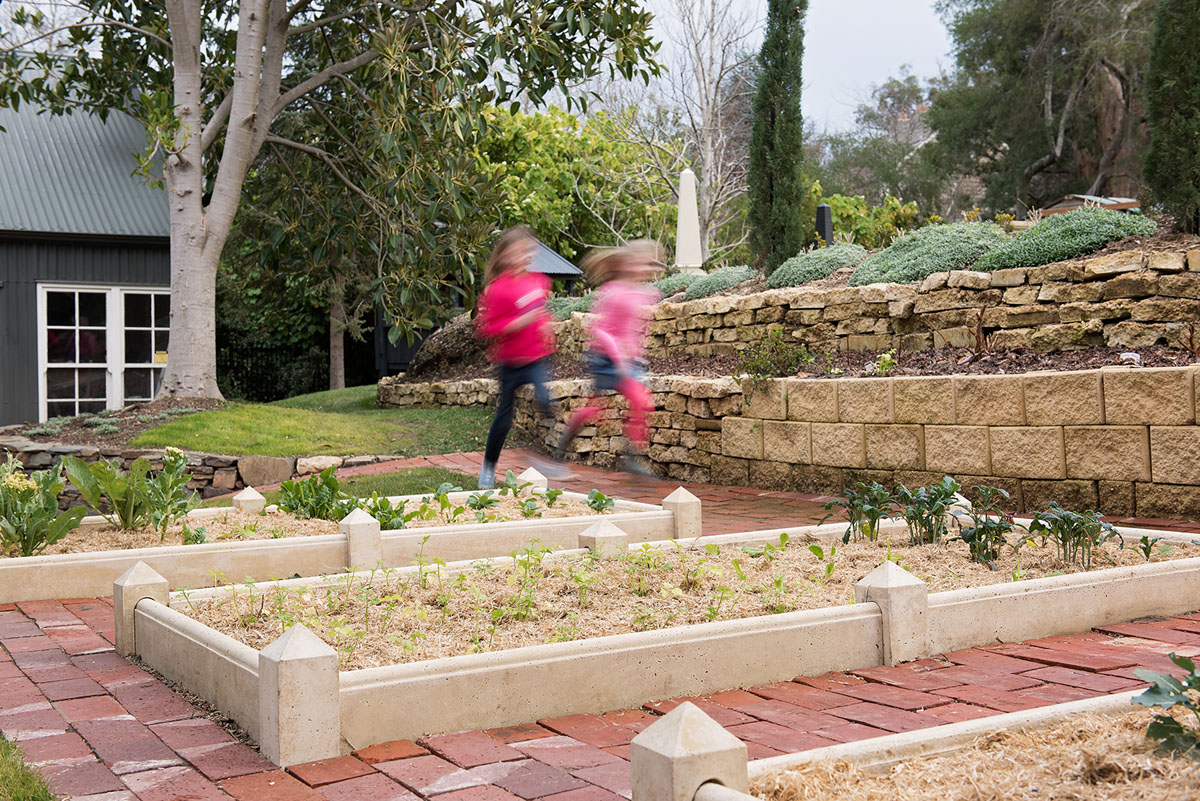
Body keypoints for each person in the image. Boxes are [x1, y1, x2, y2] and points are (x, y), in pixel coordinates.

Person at [556, 240, 662, 477]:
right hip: (605, 358)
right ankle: (560, 451)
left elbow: (635, 330)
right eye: (638, 263)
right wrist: (619, 358)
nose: (643, 268)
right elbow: (602, 331)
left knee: (641, 401)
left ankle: (631, 459)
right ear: (625, 265)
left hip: (628, 362)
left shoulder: (647, 294)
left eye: (646, 263)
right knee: (595, 410)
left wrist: (637, 357)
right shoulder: (612, 292)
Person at [474, 227, 561, 489]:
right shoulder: (497, 290)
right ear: (503, 257)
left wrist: (546, 326)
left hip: (537, 358)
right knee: (504, 418)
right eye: (516, 252)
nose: (523, 256)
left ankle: (550, 457)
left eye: (527, 251)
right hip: (510, 362)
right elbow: (487, 329)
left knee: (546, 401)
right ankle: (488, 467)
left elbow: (540, 313)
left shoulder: (539, 282)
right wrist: (519, 323)